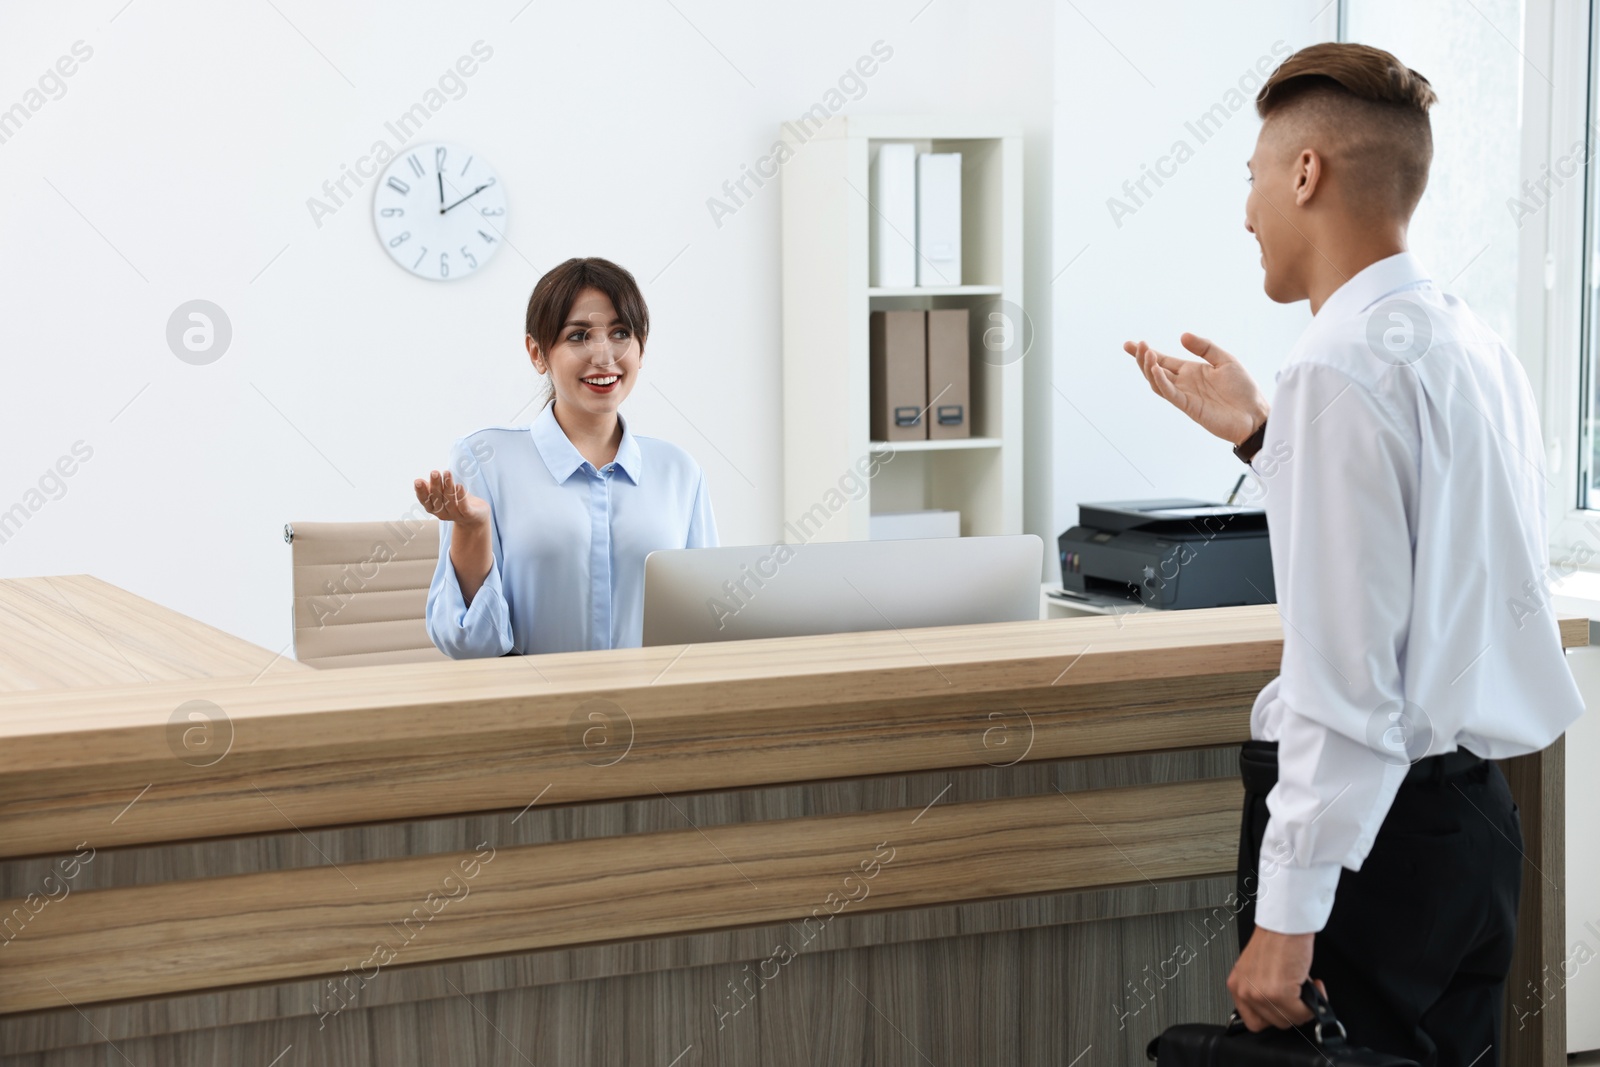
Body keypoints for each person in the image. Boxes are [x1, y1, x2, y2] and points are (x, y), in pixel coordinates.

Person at [1124, 42, 1583, 1061]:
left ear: (1304, 173)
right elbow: (1434, 569)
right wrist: (1260, 435)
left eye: (1251, 177)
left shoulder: (1334, 364)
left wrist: (1287, 917)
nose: (1245, 212)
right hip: (1469, 828)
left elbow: (1348, 679)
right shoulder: (1470, 341)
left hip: (1373, 857)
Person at [415, 256, 717, 656]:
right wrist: (473, 531)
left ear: (641, 349)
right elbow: (470, 647)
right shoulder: (485, 459)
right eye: (578, 336)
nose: (604, 355)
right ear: (538, 353)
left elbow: (709, 628)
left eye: (621, 333)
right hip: (533, 710)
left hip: (652, 709)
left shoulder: (679, 470)